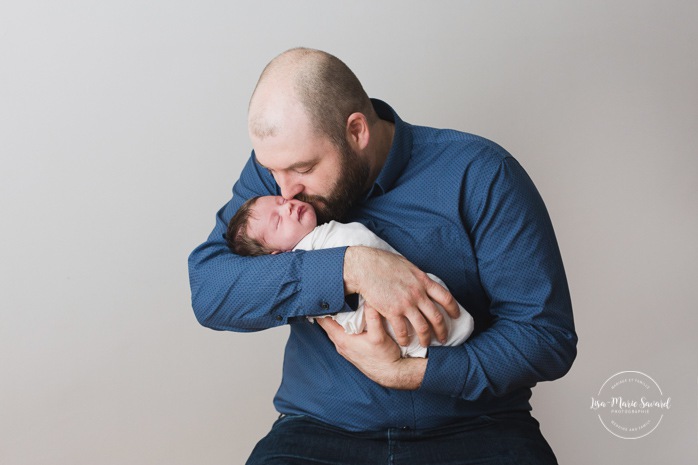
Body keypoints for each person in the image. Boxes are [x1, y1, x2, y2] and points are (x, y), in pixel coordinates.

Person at [188, 47, 577, 464]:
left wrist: (415, 373)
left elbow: (545, 338)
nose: (283, 191)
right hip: (318, 433)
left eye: (302, 169)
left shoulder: (481, 173)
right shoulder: (279, 175)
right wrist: (349, 267)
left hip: (477, 429)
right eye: (272, 171)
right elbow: (212, 291)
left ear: (356, 131)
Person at [224, 194, 475, 358]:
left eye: (280, 200)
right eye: (277, 221)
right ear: (277, 255)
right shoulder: (301, 269)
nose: (288, 205)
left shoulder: (332, 233)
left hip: (428, 304)